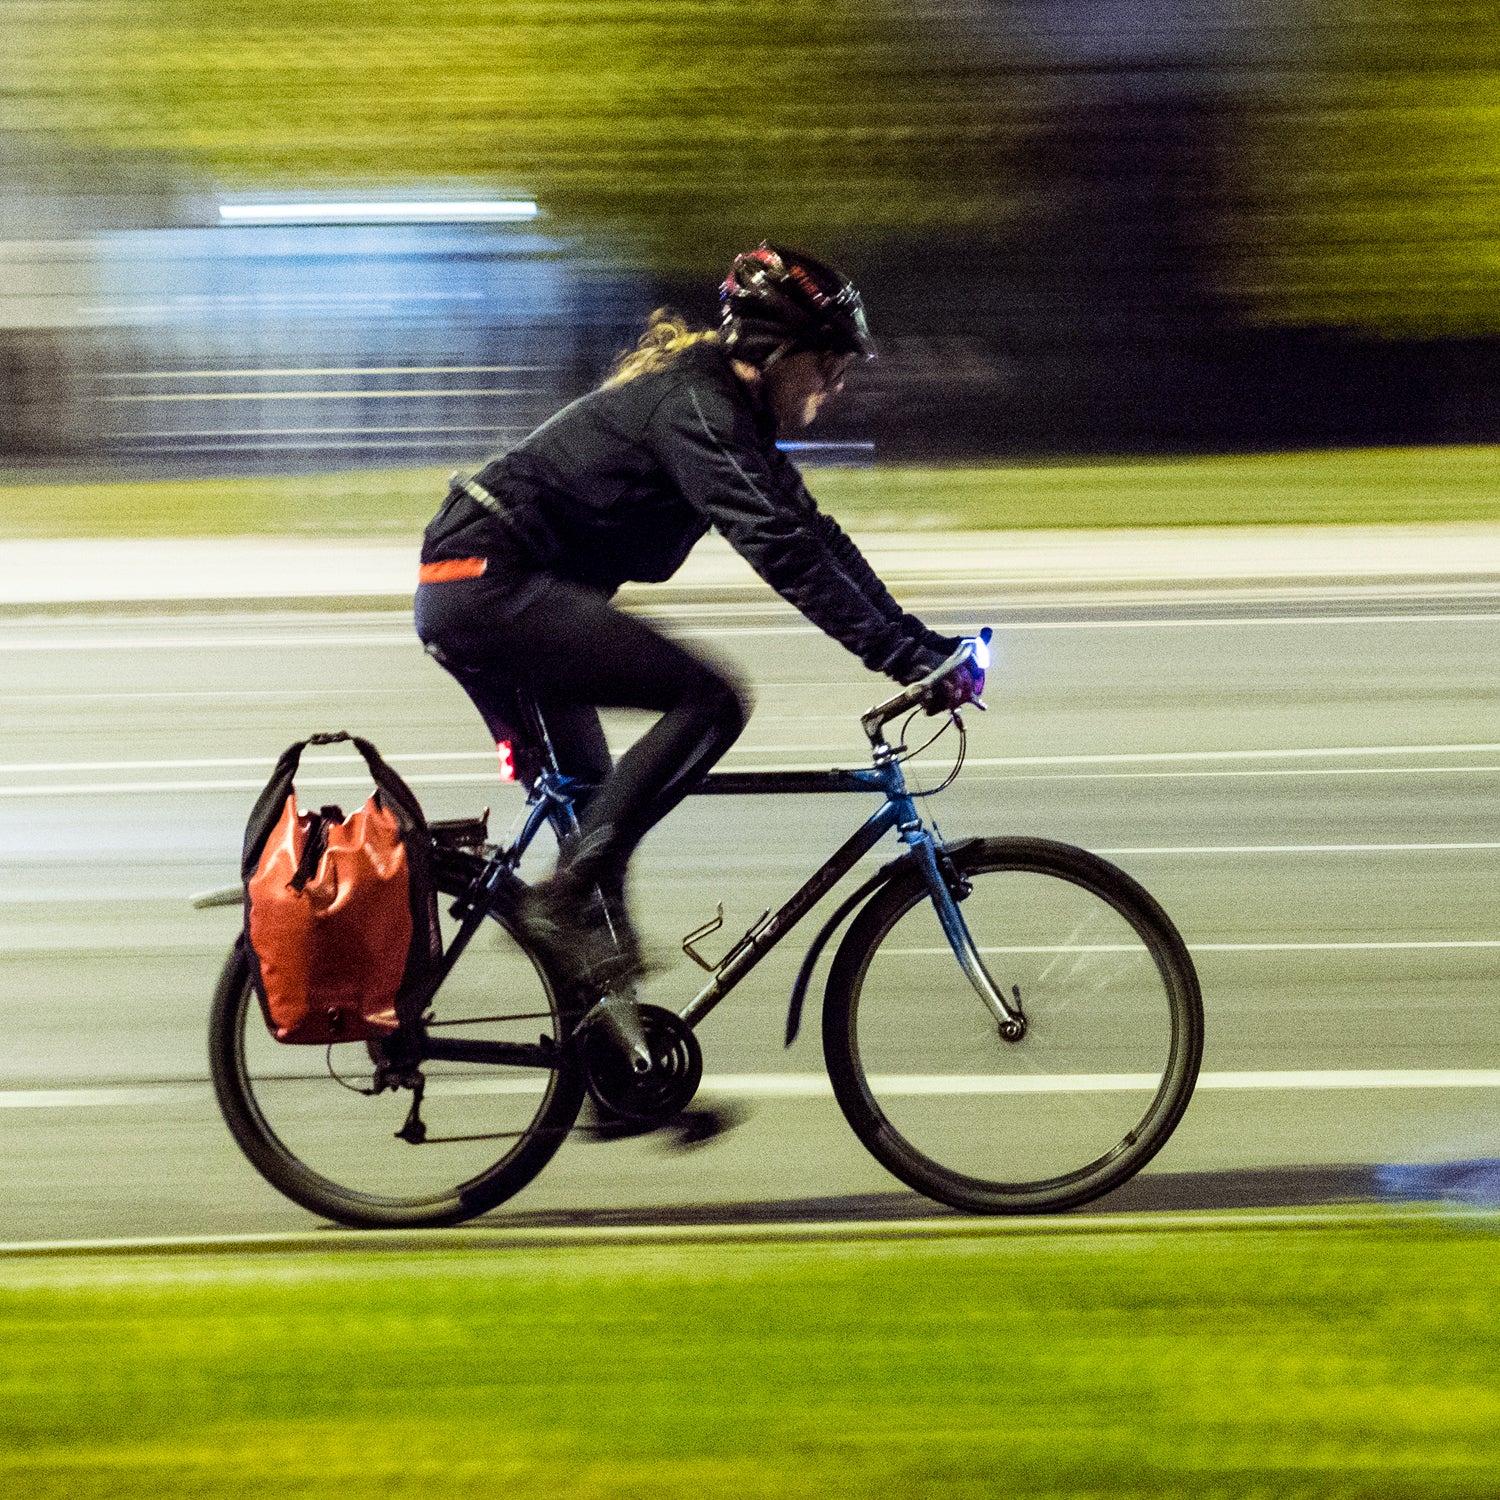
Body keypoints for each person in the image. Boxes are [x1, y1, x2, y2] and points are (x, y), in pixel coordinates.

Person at [415, 243, 983, 1006]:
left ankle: (617, 1081)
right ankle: (568, 895)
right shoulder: (699, 409)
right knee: (709, 700)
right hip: (485, 588)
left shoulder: (728, 417)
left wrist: (924, 648)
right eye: (827, 362)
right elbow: (781, 551)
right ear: (776, 351)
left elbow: (815, 536)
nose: (837, 382)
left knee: (597, 823)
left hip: (496, 591)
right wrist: (898, 657)